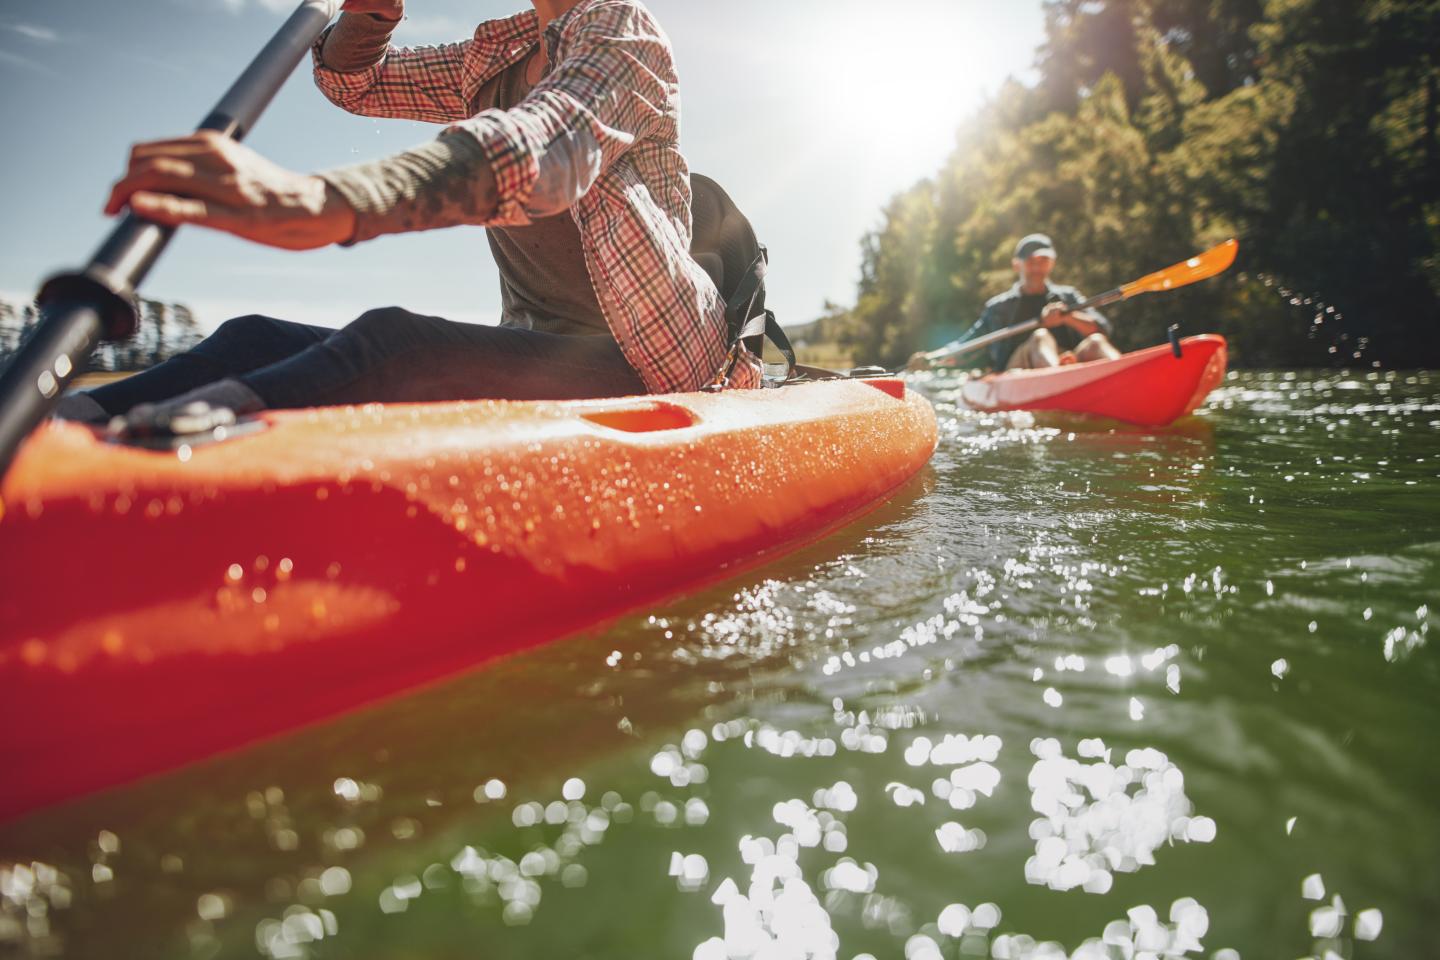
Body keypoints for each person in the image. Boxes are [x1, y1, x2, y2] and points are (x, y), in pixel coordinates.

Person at [56, 0, 759, 429]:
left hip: (648, 363)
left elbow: (549, 143)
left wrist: (319, 202)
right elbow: (356, 84)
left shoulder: (624, 35)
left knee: (400, 344)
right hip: (537, 350)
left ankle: (156, 457)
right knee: (251, 336)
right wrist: (370, 19)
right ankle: (64, 428)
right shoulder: (495, 57)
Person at [908, 234, 1120, 372]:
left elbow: (1102, 329)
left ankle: (1123, 375)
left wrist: (1069, 316)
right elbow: (967, 346)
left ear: (1052, 263)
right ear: (1017, 265)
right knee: (1040, 337)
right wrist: (932, 358)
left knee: (1096, 342)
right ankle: (1059, 377)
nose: (1037, 268)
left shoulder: (1068, 297)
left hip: (1067, 360)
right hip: (1017, 370)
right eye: (1031, 262)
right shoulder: (998, 307)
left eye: (1043, 261)